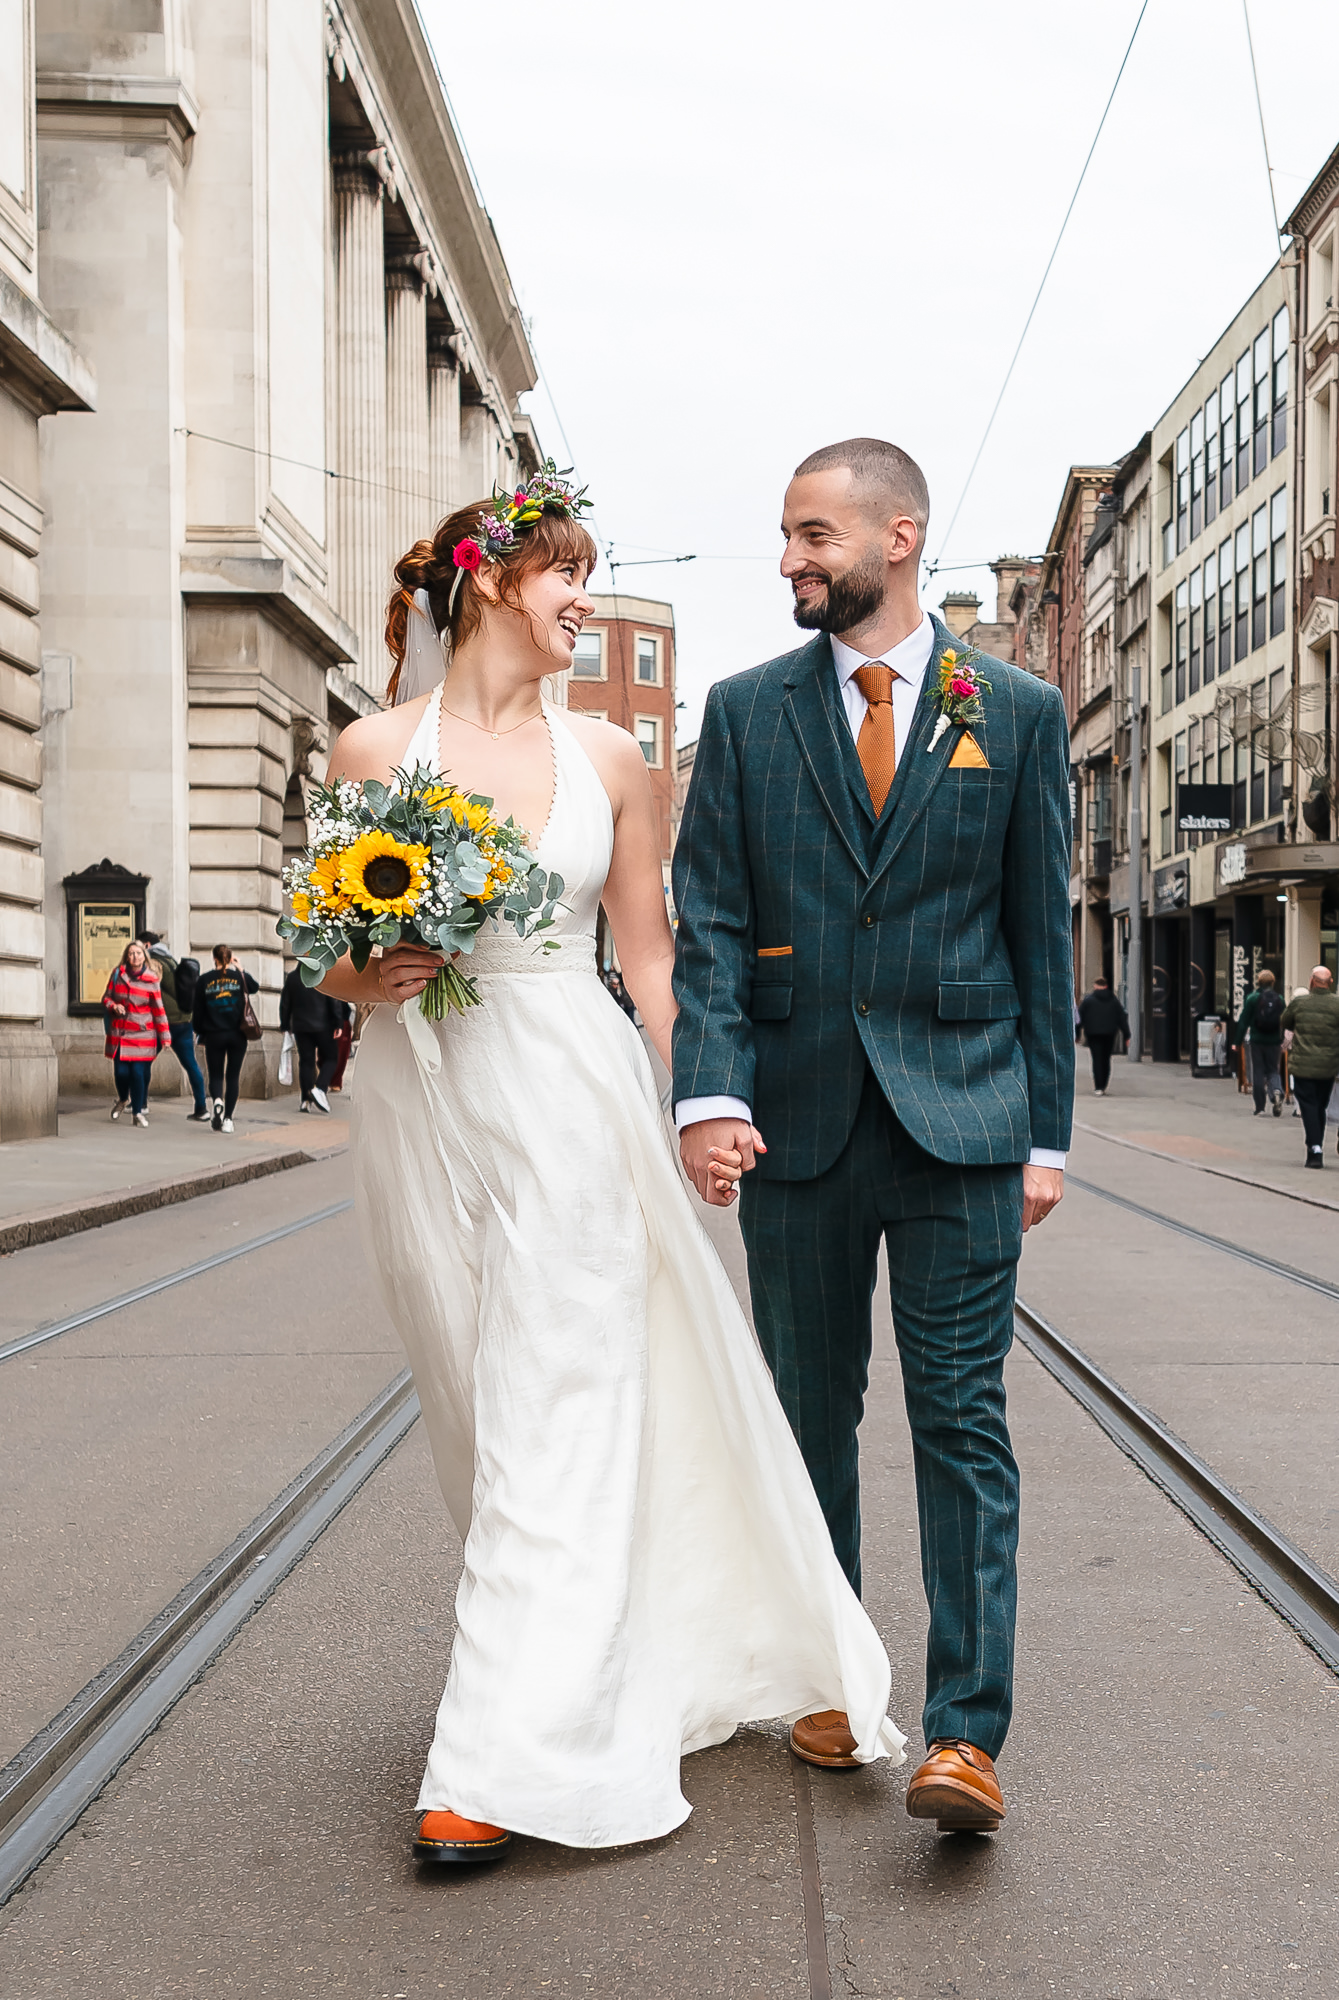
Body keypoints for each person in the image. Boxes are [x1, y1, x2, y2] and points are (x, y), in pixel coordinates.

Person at [318, 469, 905, 1870]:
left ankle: (495, 1761)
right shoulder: (370, 749)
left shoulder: (611, 761)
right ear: (488, 581)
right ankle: (602, 1661)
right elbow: (332, 956)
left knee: (557, 1403)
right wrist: (369, 971)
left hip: (568, 1095)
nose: (581, 598)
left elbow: (649, 960)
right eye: (564, 573)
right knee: (482, 1407)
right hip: (423, 1101)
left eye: (587, 574)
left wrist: (706, 1099)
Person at [673, 438, 1073, 1836]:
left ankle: (964, 1735)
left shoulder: (1014, 711)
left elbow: (1038, 933)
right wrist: (709, 1096)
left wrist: (1045, 1137)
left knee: (961, 1421)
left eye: (812, 534)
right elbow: (712, 919)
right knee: (806, 1421)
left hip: (965, 1120)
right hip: (793, 1128)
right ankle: (832, 1679)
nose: (789, 558)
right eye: (787, 535)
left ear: (896, 537)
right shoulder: (744, 712)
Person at [139, 930, 208, 1121]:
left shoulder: (153, 963)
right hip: (184, 1021)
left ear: (146, 945)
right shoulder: (171, 960)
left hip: (163, 1023)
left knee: (143, 1063)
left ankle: (141, 1104)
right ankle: (202, 1108)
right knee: (191, 1065)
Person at [102, 938, 170, 1127]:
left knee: (138, 1073)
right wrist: (113, 1006)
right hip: (121, 1032)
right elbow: (106, 997)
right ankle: (123, 1099)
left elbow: (158, 1009)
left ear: (144, 956)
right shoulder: (118, 973)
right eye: (131, 953)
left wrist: (165, 1036)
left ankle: (138, 1112)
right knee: (121, 1073)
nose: (135, 957)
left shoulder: (151, 979)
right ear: (127, 956)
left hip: (143, 1034)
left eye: (138, 953)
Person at [191, 944, 258, 1133]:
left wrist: (199, 1031)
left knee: (216, 1074)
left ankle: (217, 1101)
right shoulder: (238, 977)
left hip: (214, 1034)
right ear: (229, 958)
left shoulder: (204, 980)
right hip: (238, 1034)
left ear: (214, 959)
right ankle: (228, 1119)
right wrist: (240, 968)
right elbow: (254, 987)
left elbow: (198, 1011)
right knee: (233, 1076)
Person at [1280, 966, 1339, 1168]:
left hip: (1303, 1065)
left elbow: (1285, 1021)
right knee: (1320, 1106)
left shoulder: (1300, 1003)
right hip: (1328, 1066)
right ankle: (1316, 1145)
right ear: (1330, 983)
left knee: (1308, 1106)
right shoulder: (1337, 1005)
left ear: (1312, 981)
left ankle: (1315, 1149)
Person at [279, 962, 350, 1112]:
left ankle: (305, 1100)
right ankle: (320, 1088)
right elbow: (333, 999)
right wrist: (338, 1023)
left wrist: (285, 1025)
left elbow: (285, 1003)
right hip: (324, 1026)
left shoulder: (292, 977)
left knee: (306, 1062)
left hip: (301, 1027)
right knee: (331, 1058)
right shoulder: (322, 975)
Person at [1235, 968, 1285, 1116]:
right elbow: (1285, 1020)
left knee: (1258, 1071)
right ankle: (1276, 1090)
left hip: (1257, 1040)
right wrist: (1283, 1039)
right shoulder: (1280, 999)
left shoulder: (1252, 998)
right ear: (1273, 982)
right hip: (1274, 1040)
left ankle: (1260, 1107)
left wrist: (1237, 1041)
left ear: (1258, 982)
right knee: (1273, 1070)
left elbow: (1244, 1021)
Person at [1077, 975, 1130, 1096]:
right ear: (1106, 986)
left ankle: (1098, 1086)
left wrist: (1077, 1034)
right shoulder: (1114, 1000)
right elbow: (1122, 1018)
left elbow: (1079, 1018)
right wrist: (1126, 1035)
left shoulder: (1088, 1000)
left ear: (1095, 986)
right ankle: (1104, 1084)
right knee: (1106, 1059)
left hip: (1093, 1034)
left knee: (1097, 1059)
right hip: (1109, 1033)